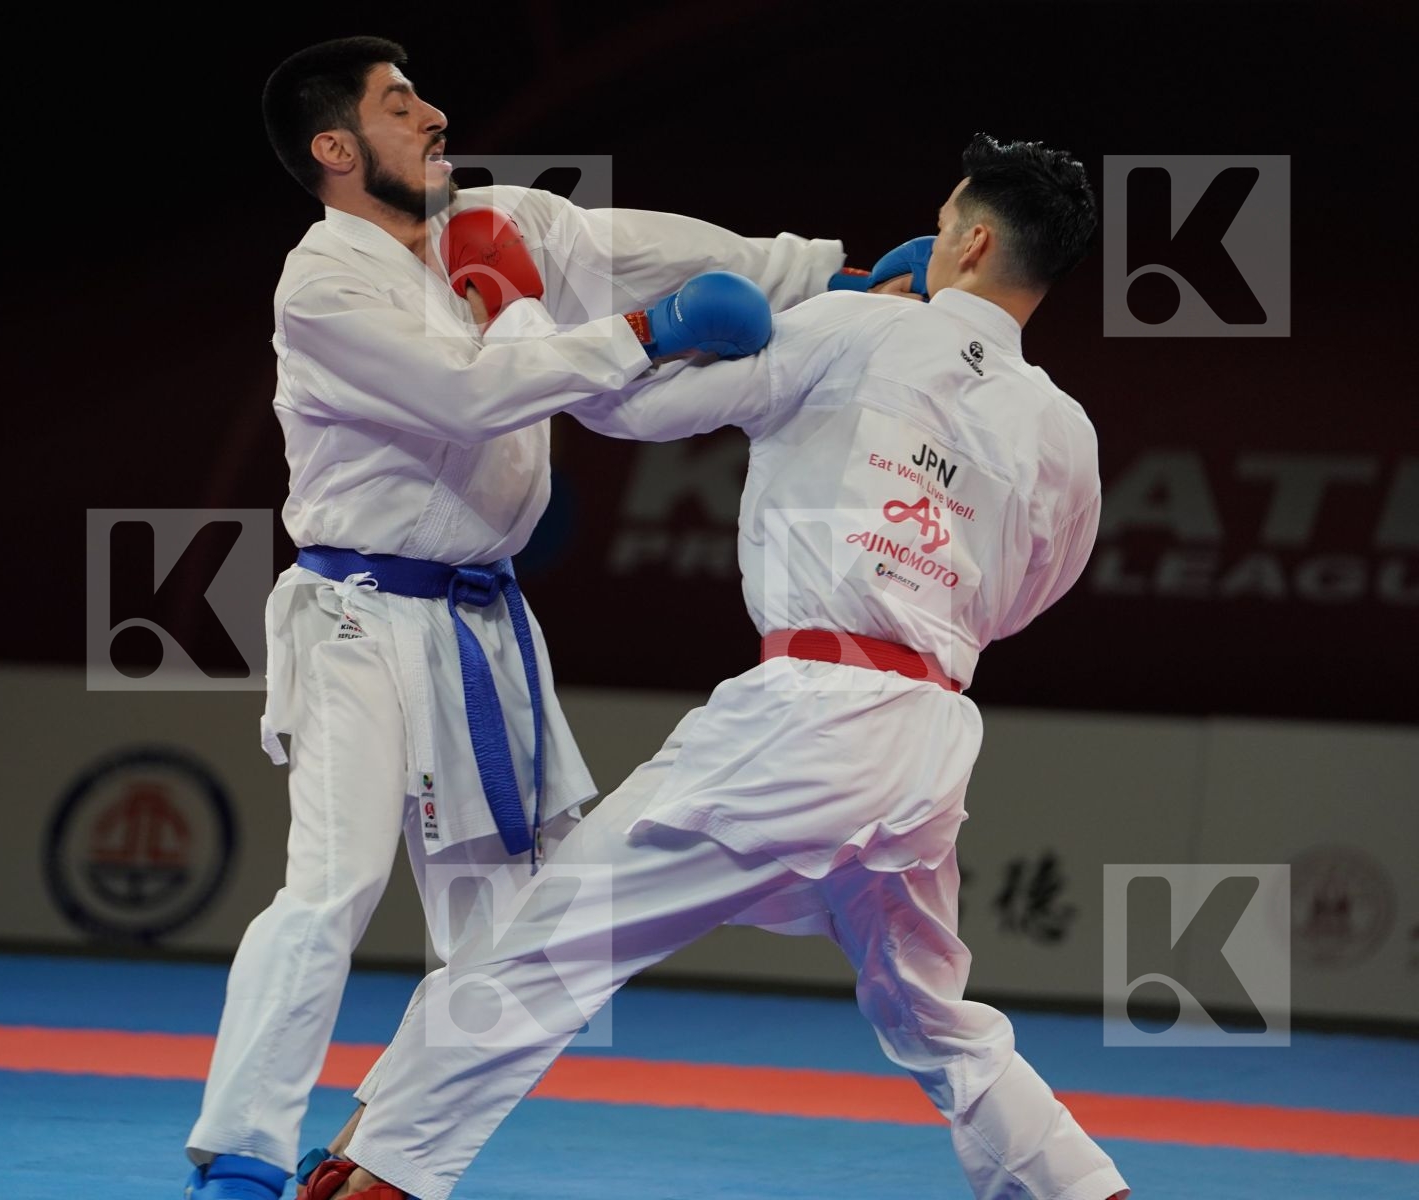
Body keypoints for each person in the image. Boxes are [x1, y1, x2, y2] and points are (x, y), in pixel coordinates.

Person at [310, 134, 1131, 1200]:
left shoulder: (861, 324)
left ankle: (374, 1179)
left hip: (805, 718)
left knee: (547, 938)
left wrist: (513, 300)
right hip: (930, 731)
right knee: (934, 1017)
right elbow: (1030, 590)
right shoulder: (1064, 428)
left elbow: (629, 409)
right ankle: (1083, 1190)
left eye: (941, 223)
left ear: (972, 241)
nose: (926, 241)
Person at [185, 34, 868, 1200]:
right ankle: (240, 1155)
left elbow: (656, 248)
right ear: (336, 149)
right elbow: (468, 389)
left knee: (511, 930)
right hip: (357, 614)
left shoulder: (500, 221)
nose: (435, 115)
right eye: (401, 106)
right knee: (334, 884)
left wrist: (828, 277)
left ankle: (372, 1143)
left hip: (483, 625)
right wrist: (645, 339)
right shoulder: (326, 280)